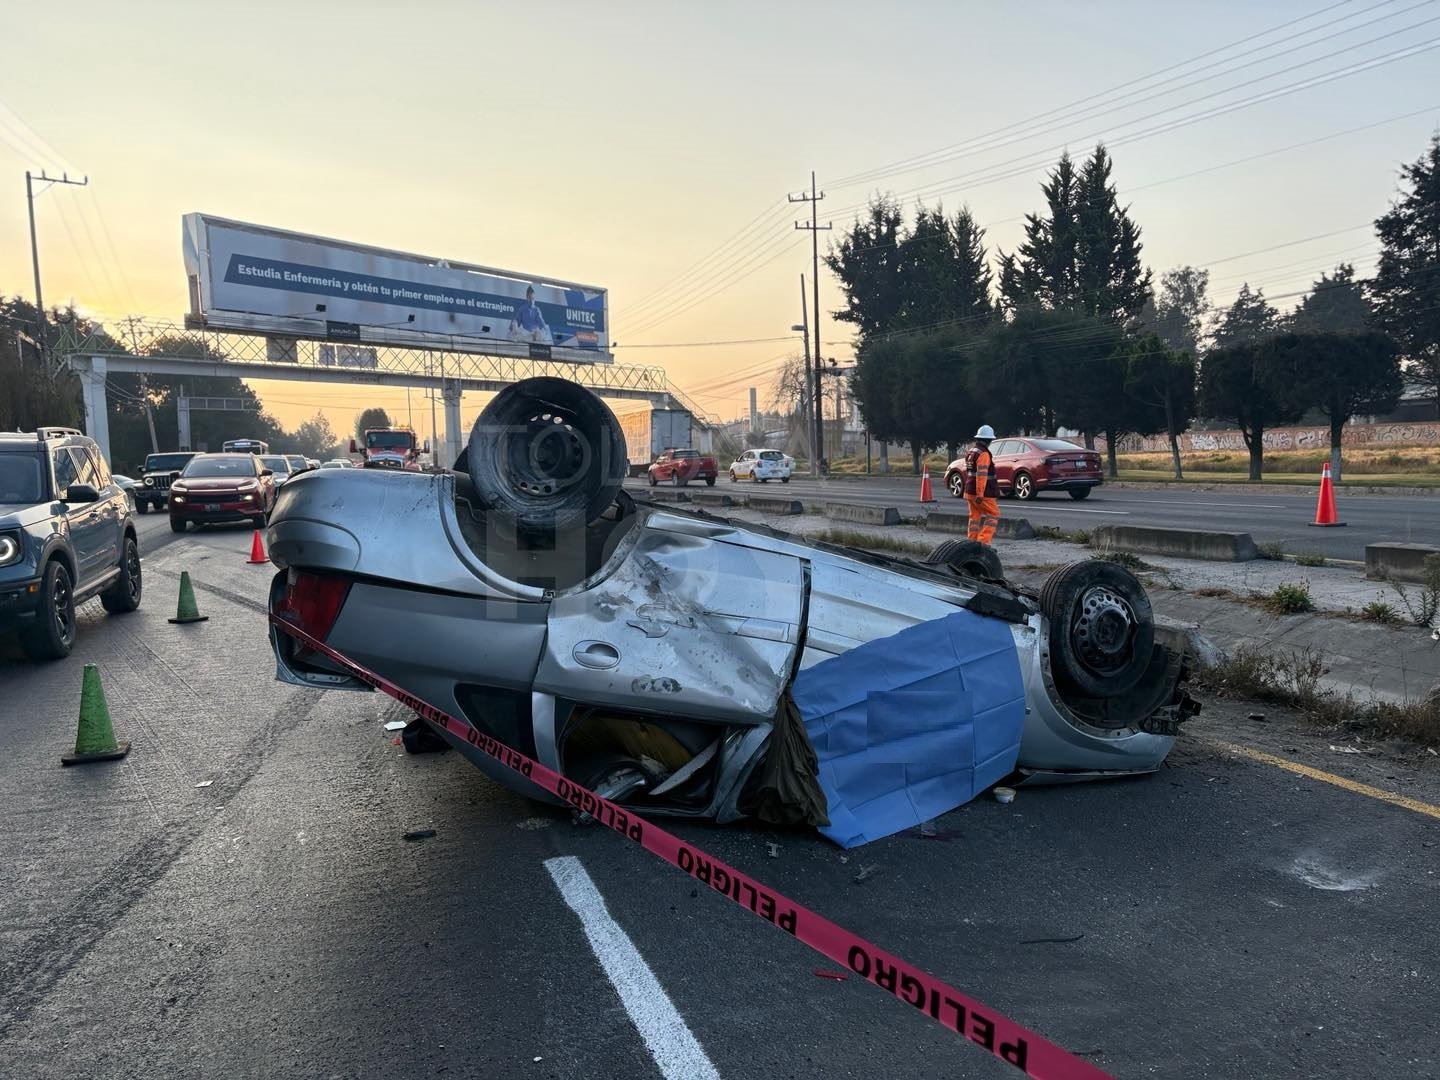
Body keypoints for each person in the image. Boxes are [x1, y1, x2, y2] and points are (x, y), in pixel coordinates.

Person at [964, 424, 1000, 545]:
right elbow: (981, 475)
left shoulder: (971, 451)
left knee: (974, 517)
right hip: (983, 493)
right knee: (993, 514)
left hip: (969, 491)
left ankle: (971, 542)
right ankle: (983, 543)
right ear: (989, 440)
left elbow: (970, 472)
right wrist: (980, 493)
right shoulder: (983, 454)